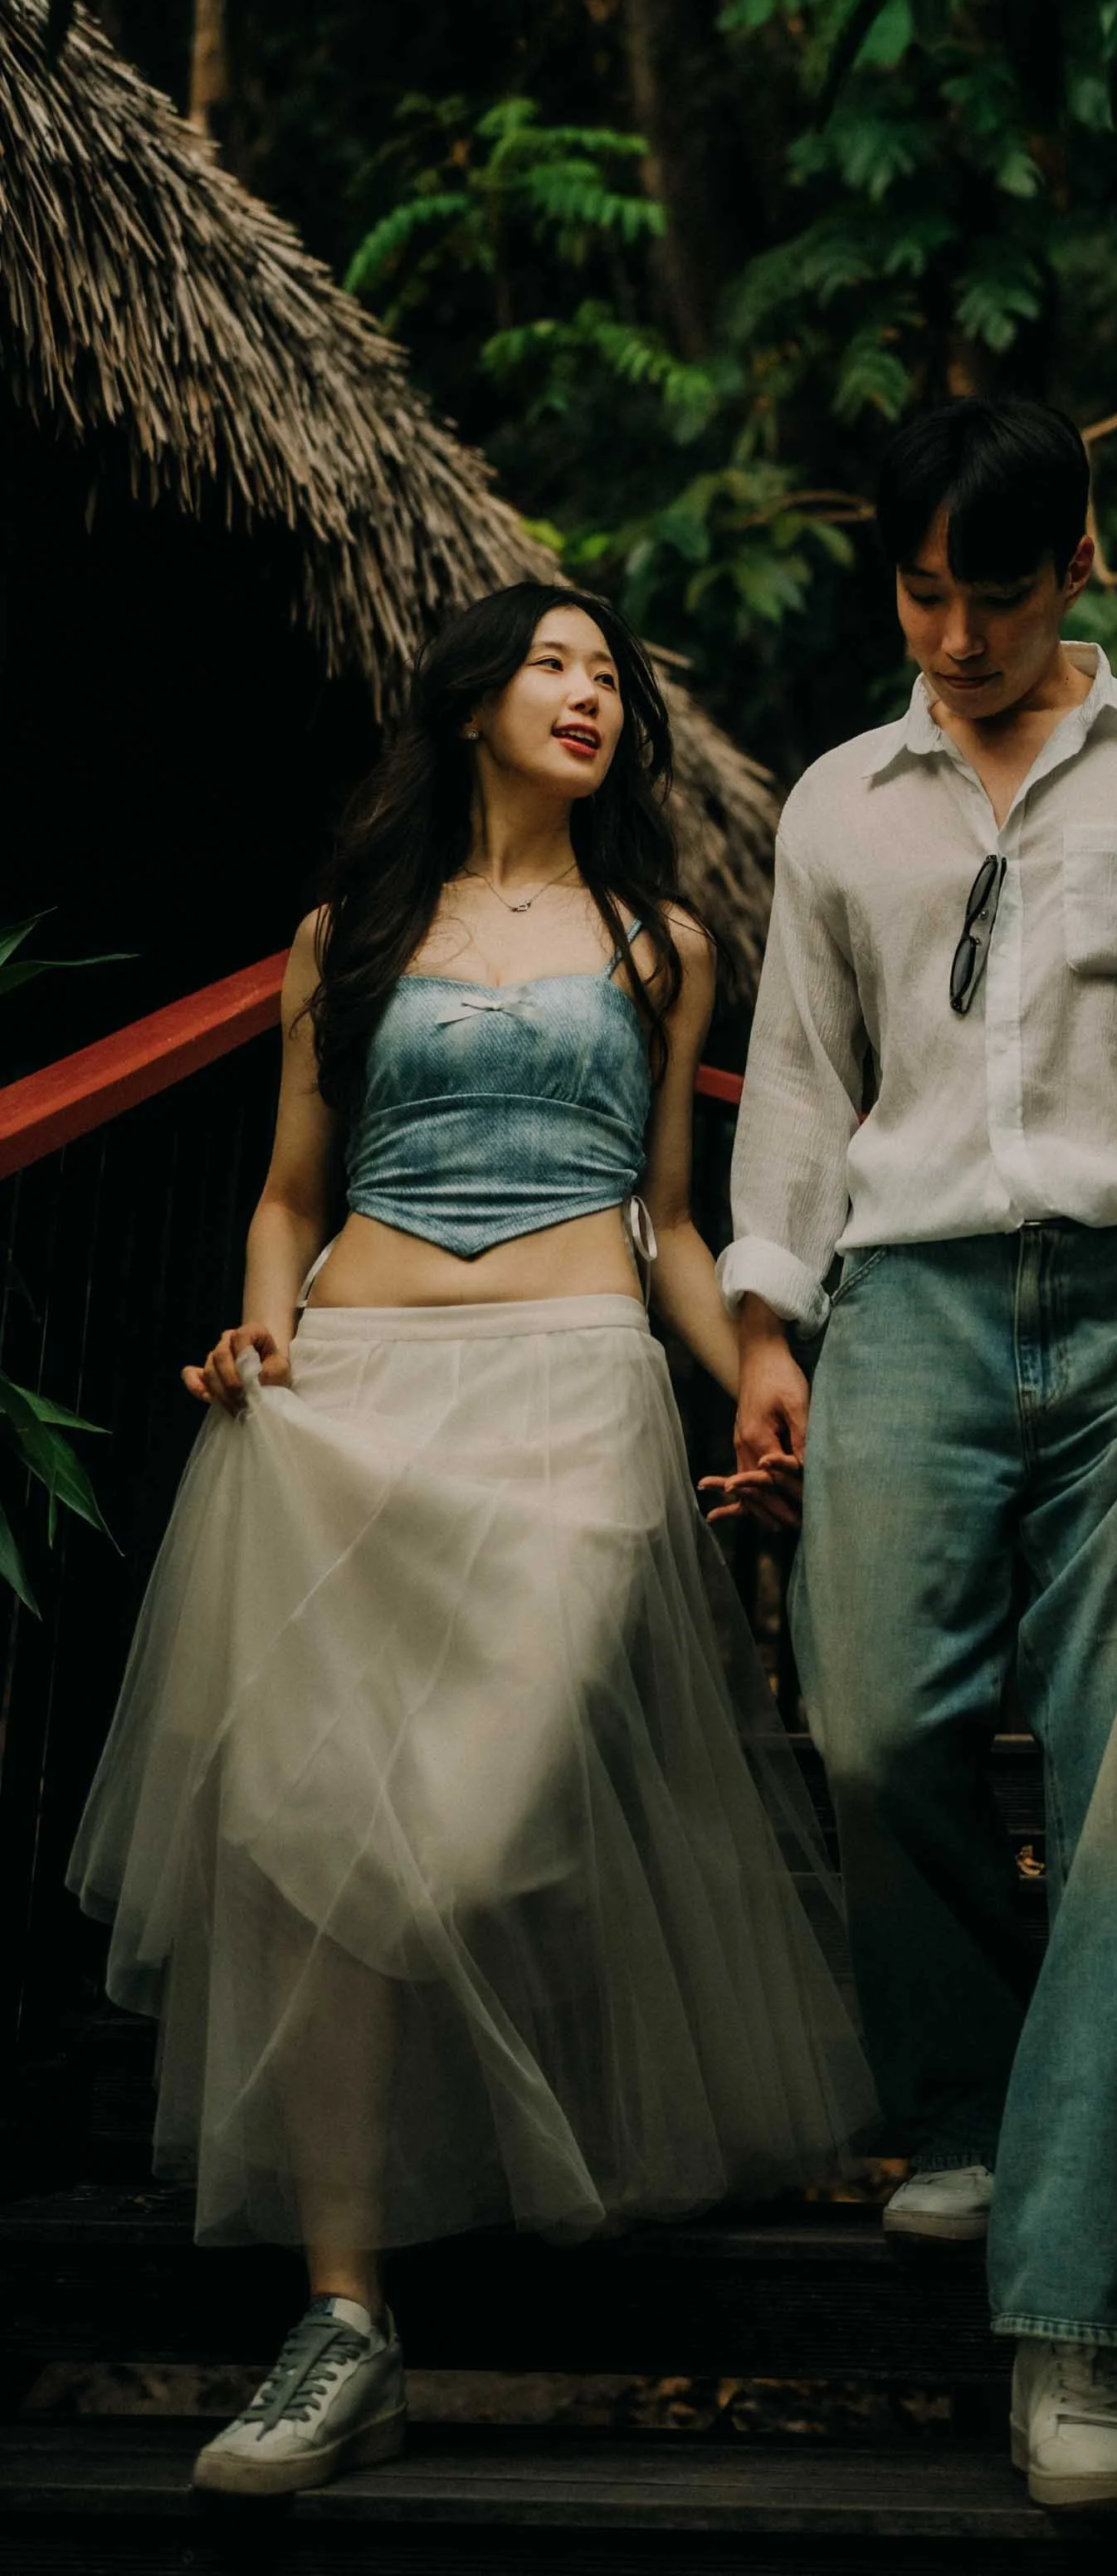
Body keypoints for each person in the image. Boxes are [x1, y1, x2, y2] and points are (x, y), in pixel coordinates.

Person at [70, 583, 875, 2500]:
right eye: (556, 662)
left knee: (472, 1833)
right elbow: (287, 1192)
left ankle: (481, 2180)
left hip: (575, 1387)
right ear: (470, 703)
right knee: (310, 1839)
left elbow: (670, 1214)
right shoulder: (339, 939)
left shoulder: (659, 942)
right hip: (346, 1389)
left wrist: (756, 1371)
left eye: (609, 673)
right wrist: (262, 1320)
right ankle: (346, 2317)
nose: (591, 692)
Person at [717, 398, 1117, 2514]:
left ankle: (1075, 2323)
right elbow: (800, 1076)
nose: (957, 630)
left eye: (995, 588)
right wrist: (764, 1322)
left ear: (1077, 560)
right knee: (876, 1725)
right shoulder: (837, 802)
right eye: (920, 590)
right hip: (906, 1306)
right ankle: (968, 2082)